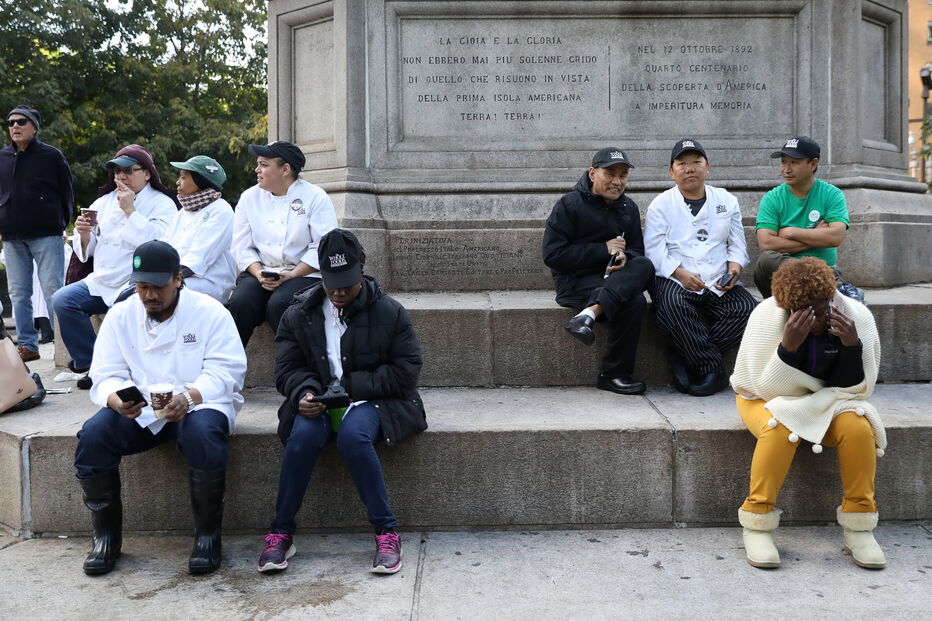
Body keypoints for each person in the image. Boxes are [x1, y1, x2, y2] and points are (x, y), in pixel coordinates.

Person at [257, 229, 426, 575]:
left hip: (373, 400)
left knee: (353, 436)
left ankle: (386, 532)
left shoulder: (390, 312)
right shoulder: (299, 312)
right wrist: (302, 392)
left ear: (361, 272)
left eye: (347, 284)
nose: (338, 292)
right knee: (302, 437)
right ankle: (281, 532)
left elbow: (406, 372)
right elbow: (287, 368)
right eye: (331, 283)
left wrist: (350, 389)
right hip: (318, 399)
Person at [73, 240, 246, 576]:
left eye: (158, 286)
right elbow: (105, 373)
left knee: (204, 435)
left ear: (178, 279)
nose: (150, 295)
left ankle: (208, 536)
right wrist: (115, 400)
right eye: (142, 287)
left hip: (198, 403)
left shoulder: (210, 311)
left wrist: (191, 397)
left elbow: (227, 370)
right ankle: (106, 538)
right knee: (93, 436)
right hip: (141, 411)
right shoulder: (121, 315)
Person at [730, 257, 886, 570]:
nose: (815, 319)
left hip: (827, 401)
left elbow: (857, 392)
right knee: (779, 426)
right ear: (786, 306)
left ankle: (859, 526)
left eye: (822, 307)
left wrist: (851, 347)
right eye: (804, 311)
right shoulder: (766, 316)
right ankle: (757, 522)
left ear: (832, 297)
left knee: (857, 424)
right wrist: (788, 348)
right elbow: (764, 389)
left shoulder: (856, 317)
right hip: (760, 398)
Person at [52, 145, 178, 389]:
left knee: (121, 311)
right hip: (101, 280)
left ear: (147, 173)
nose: (121, 176)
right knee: (63, 300)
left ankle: (122, 368)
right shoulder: (102, 202)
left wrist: (130, 210)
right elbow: (85, 251)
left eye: (129, 171)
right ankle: (90, 363)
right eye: (117, 171)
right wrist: (84, 233)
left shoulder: (162, 203)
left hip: (135, 282)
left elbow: (160, 244)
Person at [645, 139, 757, 396]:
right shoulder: (661, 204)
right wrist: (679, 274)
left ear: (708, 167)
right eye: (682, 164)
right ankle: (711, 368)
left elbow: (737, 245)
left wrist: (734, 269)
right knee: (671, 307)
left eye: (696, 162)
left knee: (748, 310)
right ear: (671, 172)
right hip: (674, 277)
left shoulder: (726, 200)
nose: (689, 168)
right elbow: (653, 251)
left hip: (717, 278)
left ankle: (685, 353)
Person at [542, 147, 655, 395]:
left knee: (644, 265)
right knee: (633, 300)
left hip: (615, 278)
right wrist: (602, 249)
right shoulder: (569, 204)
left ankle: (590, 314)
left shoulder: (629, 207)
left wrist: (625, 255)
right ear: (593, 173)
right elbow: (552, 255)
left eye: (623, 175)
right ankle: (614, 375)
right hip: (576, 282)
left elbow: (638, 250)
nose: (617, 181)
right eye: (610, 173)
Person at [227, 140, 337, 346]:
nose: (257, 169)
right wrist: (259, 273)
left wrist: (292, 275)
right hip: (260, 271)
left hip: (304, 273)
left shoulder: (315, 197)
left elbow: (322, 246)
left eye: (264, 165)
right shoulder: (249, 198)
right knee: (241, 303)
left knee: (280, 303)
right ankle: (227, 367)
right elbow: (241, 246)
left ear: (285, 169)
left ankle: (297, 368)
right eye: (258, 164)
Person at [0, 105, 74, 361]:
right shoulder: (2, 158)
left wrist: (60, 223)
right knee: (18, 293)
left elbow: (67, 193)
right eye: (10, 123)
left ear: (34, 126)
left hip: (46, 233)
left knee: (54, 289)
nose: (15, 126)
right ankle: (28, 346)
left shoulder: (51, 156)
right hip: (11, 236)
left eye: (21, 121)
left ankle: (66, 348)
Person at [753, 136, 860, 300]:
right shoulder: (772, 198)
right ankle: (839, 288)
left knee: (820, 272)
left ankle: (834, 286)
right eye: (783, 162)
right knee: (767, 260)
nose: (786, 169)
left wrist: (789, 232)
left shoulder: (832, 194)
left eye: (794, 162)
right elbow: (766, 243)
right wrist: (815, 235)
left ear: (814, 164)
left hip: (823, 270)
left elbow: (835, 236)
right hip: (784, 274)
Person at [163, 155, 236, 302]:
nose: (177, 182)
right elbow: (165, 248)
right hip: (176, 278)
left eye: (183, 177)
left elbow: (197, 260)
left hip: (207, 283)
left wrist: (162, 280)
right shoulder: (182, 212)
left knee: (158, 293)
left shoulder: (221, 210)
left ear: (200, 180)